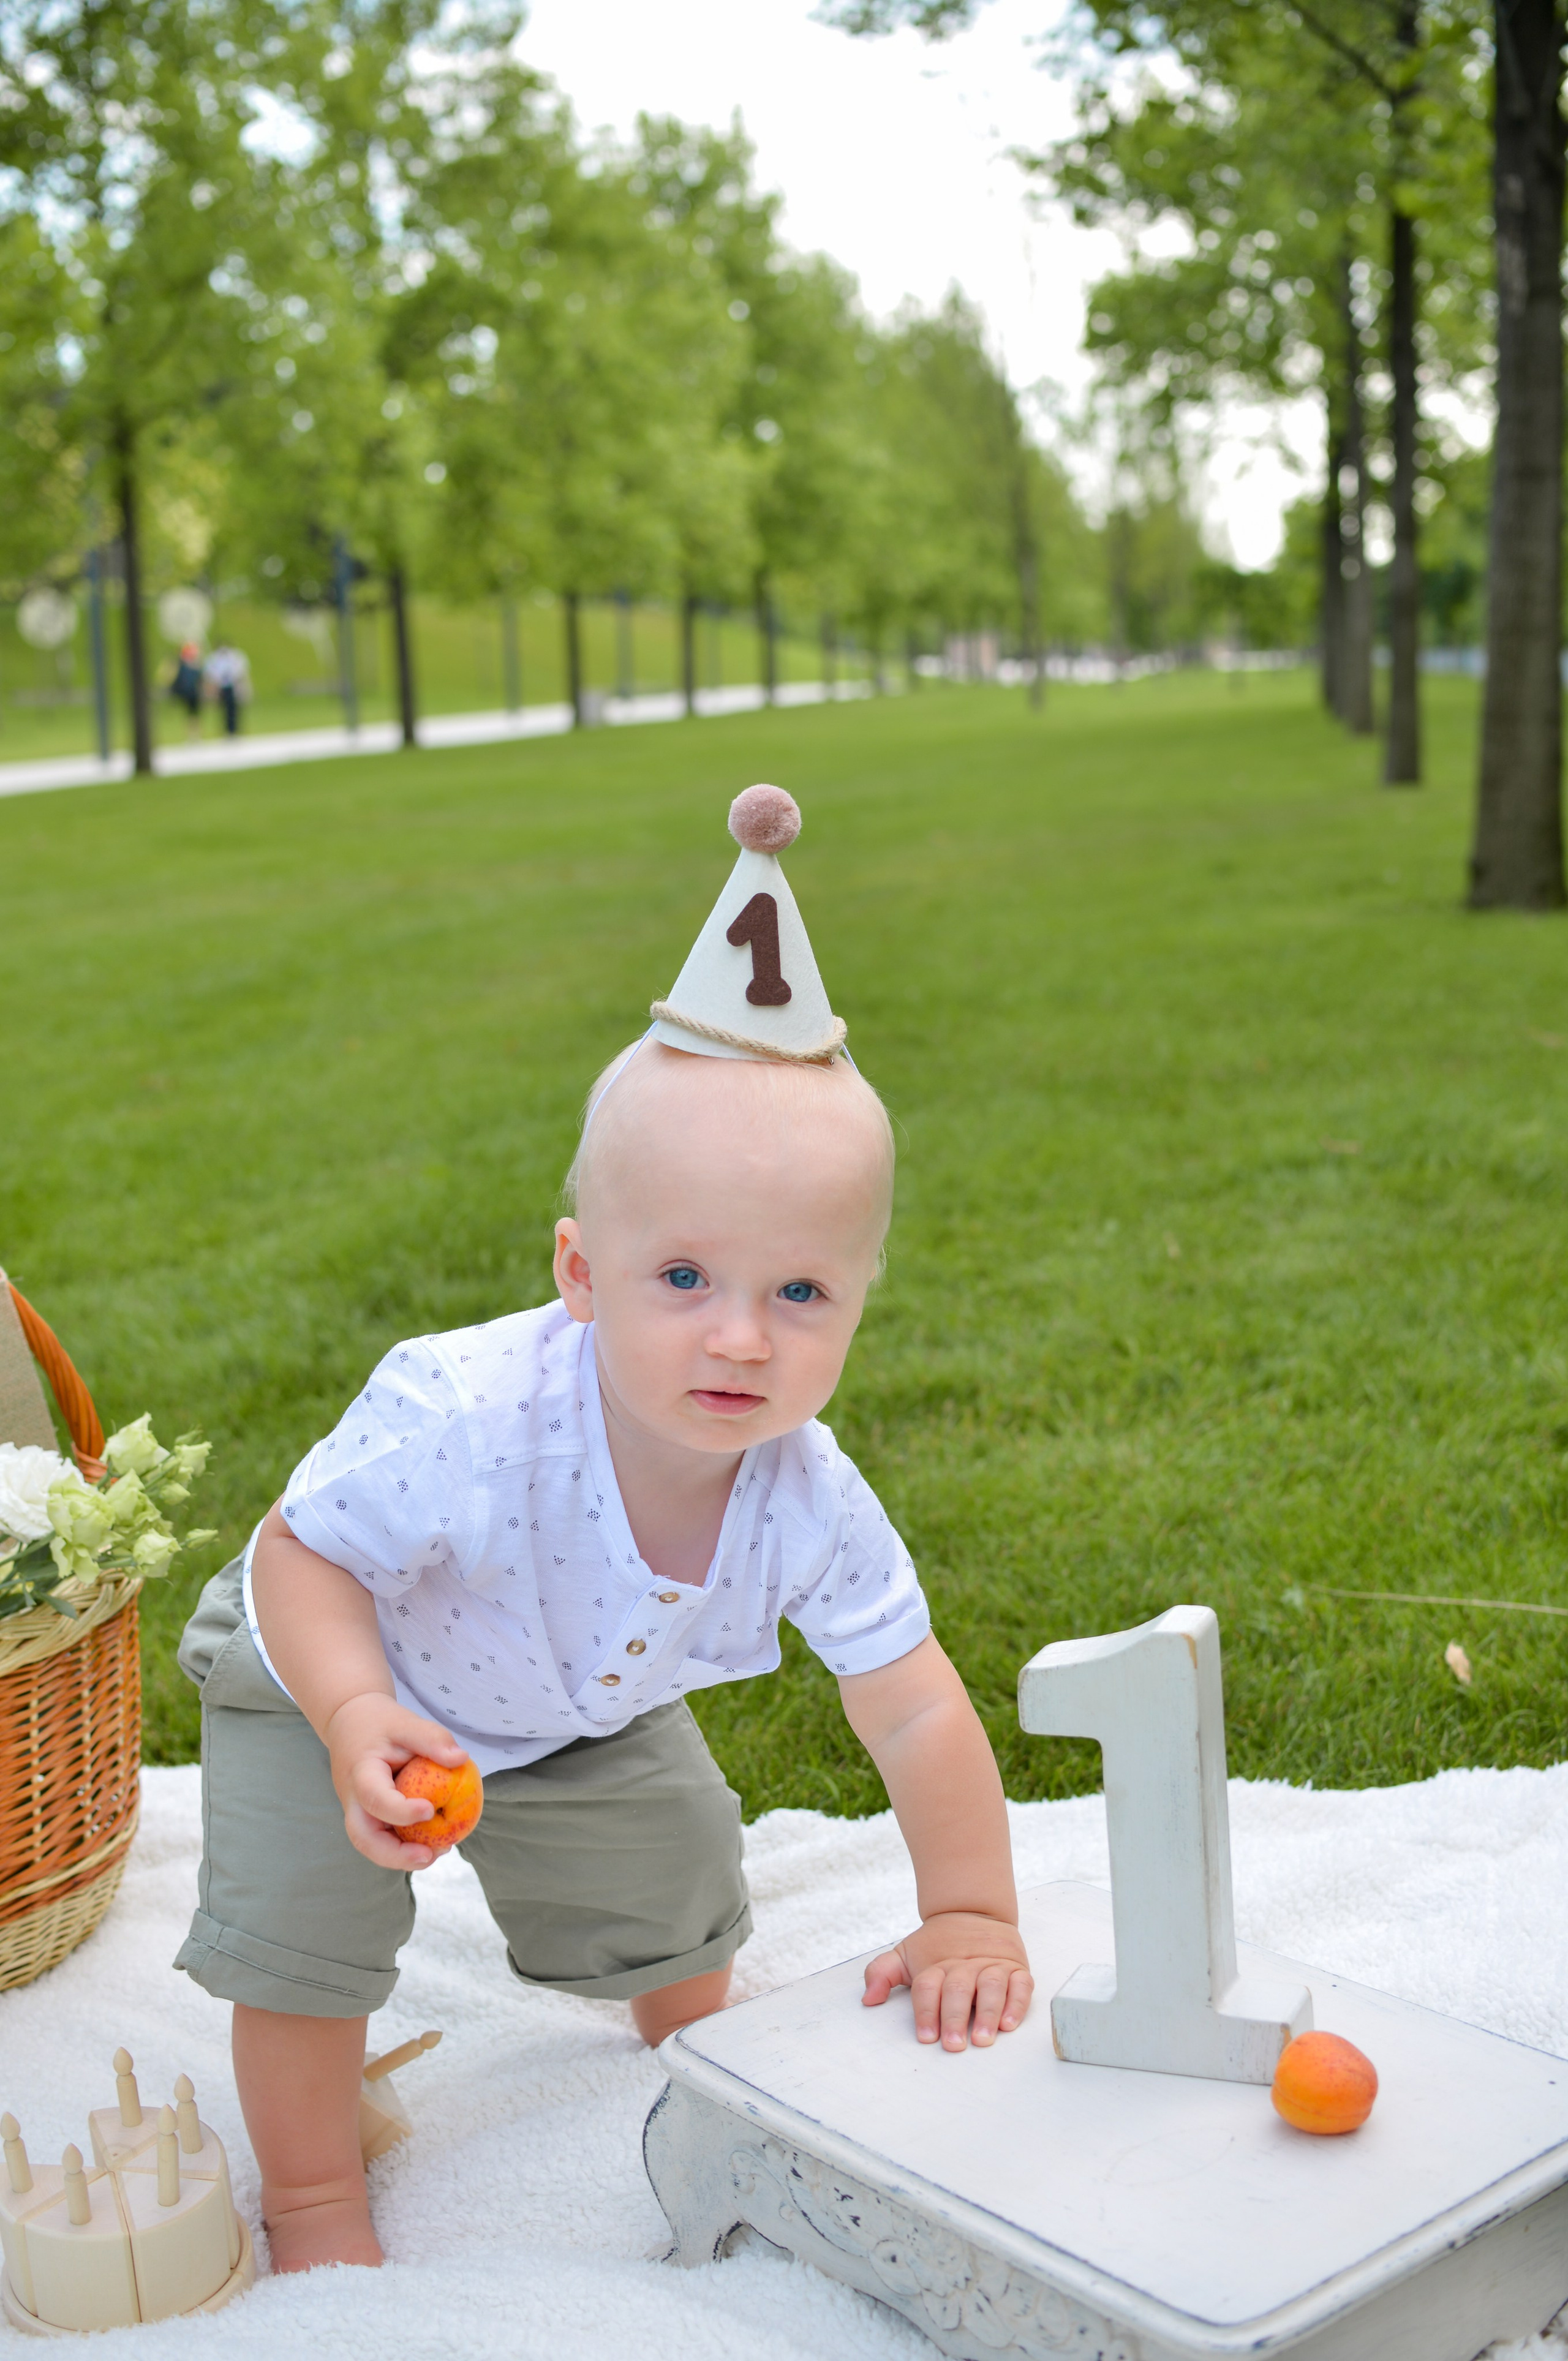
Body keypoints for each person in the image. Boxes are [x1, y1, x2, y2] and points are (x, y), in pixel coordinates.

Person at [172, 785, 1033, 2276]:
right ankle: (312, 2204)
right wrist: (354, 1705)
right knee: (306, 1941)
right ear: (582, 1266)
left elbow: (911, 1705)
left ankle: (691, 2042)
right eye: (684, 1274)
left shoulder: (803, 1491)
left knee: (683, 1868)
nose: (742, 1340)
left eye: (800, 1293)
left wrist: (966, 1909)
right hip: (334, 1663)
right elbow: (300, 1553)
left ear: (857, 1299)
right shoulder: (463, 1414)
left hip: (577, 1699)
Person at [204, 639, 251, 734]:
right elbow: (212, 674)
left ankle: (234, 729)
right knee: (223, 709)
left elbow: (240, 672)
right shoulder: (215, 659)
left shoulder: (235, 657)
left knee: (235, 709)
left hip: (233, 686)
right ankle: (227, 730)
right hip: (222, 687)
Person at [167, 642, 204, 739]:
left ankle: (195, 734)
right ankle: (193, 734)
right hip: (188, 692)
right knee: (191, 714)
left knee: (194, 714)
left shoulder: (194, 666)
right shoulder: (182, 666)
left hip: (194, 692)